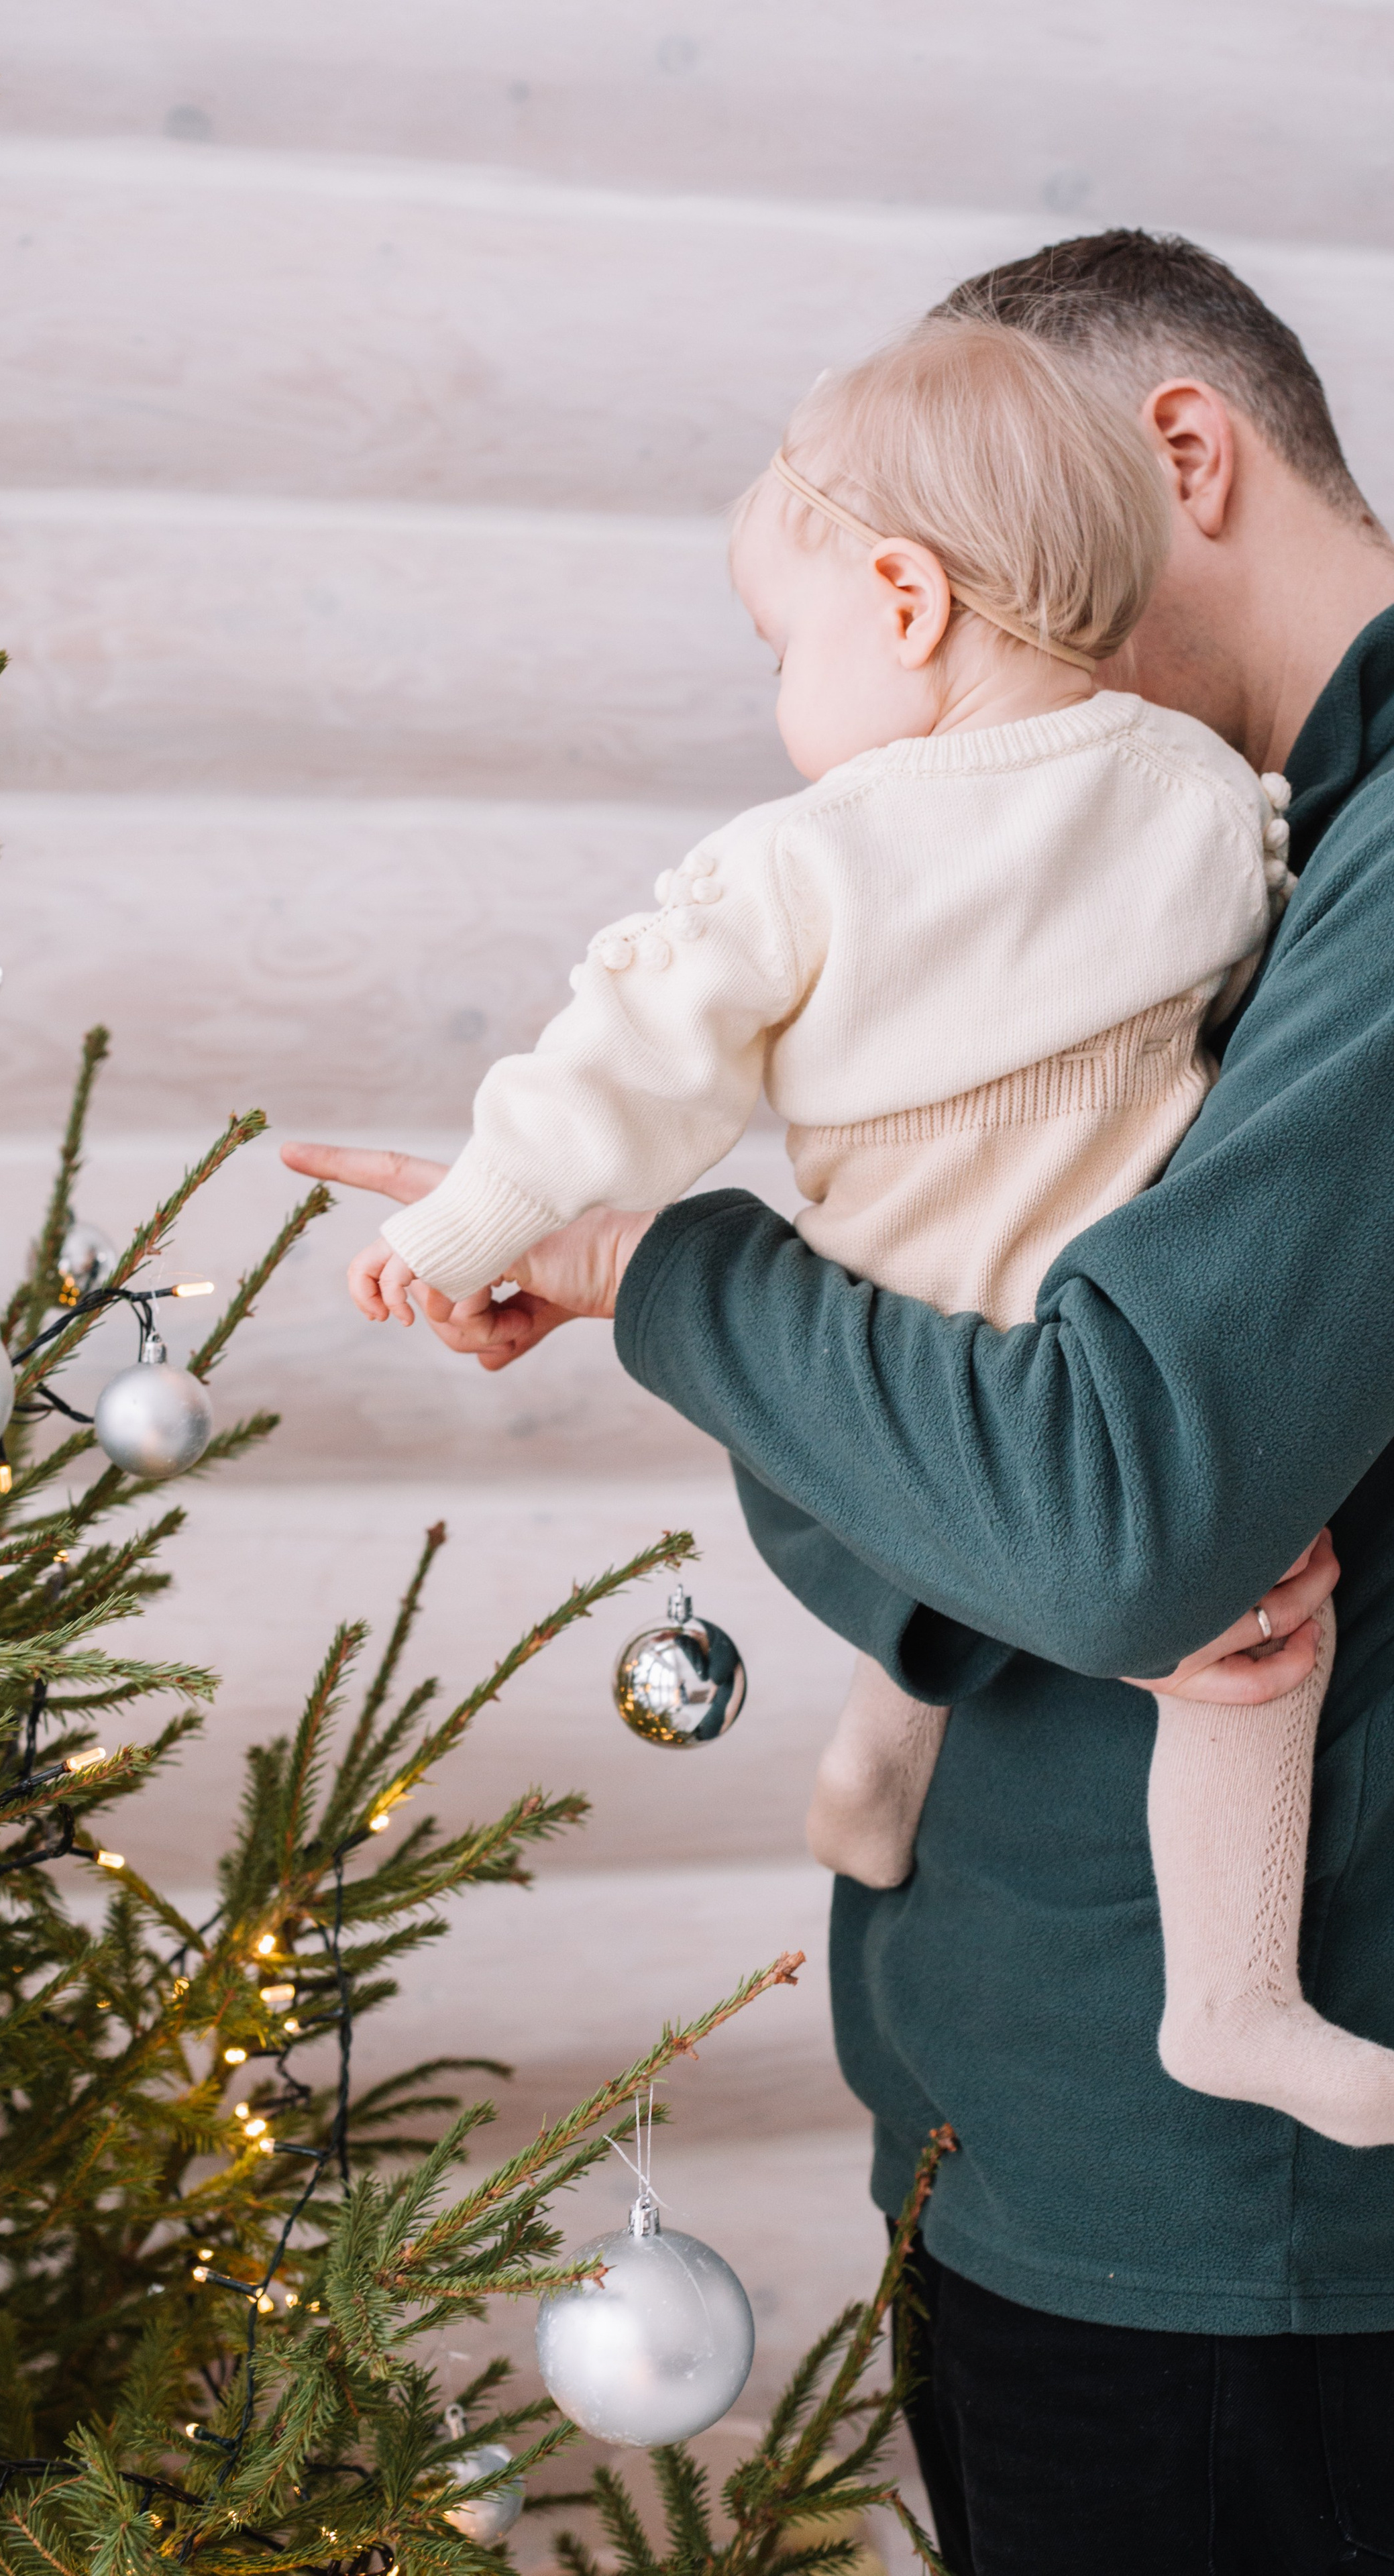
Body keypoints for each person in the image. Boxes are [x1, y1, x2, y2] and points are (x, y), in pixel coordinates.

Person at [286, 231, 1394, 2571]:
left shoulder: (1319, 862)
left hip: (1250, 2253)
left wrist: (665, 1270)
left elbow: (1109, 1520)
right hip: (1020, 2132)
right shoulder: (1168, 872)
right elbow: (930, 1508)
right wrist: (757, 1344)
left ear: (1176, 456)